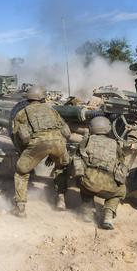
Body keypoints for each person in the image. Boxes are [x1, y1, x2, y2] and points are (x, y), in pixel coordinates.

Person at [11, 85, 71, 218]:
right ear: (42, 98)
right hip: (58, 143)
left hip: (38, 143)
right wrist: (54, 153)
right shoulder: (52, 110)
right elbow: (66, 132)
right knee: (61, 168)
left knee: (21, 172)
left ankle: (20, 208)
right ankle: (61, 199)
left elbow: (17, 137)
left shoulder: (22, 113)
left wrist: (23, 154)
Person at [75, 116, 127, 230]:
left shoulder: (86, 141)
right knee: (120, 192)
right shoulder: (115, 144)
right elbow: (121, 162)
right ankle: (108, 216)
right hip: (110, 186)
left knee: (83, 181)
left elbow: (76, 157)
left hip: (90, 183)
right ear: (108, 129)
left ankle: (87, 213)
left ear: (91, 128)